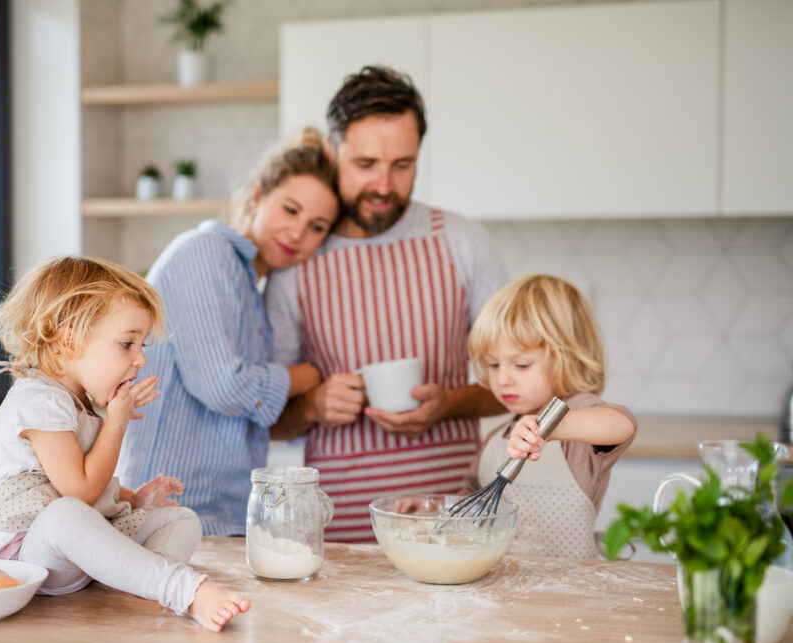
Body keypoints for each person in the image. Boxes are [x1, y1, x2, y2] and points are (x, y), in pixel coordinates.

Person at [265, 66, 507, 542]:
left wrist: (448, 404)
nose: (383, 185)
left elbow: (520, 384)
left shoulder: (461, 242)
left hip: (455, 524)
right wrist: (312, 405)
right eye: (366, 164)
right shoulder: (296, 259)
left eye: (402, 165)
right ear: (332, 152)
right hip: (339, 534)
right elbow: (267, 419)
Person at [0, 256, 250, 632]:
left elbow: (77, 483)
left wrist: (134, 499)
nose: (141, 358)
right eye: (127, 344)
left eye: (141, 344)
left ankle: (139, 581)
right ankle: (179, 588)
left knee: (181, 518)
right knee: (65, 515)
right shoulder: (39, 401)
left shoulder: (78, 402)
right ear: (68, 340)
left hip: (68, 551)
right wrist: (116, 421)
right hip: (25, 560)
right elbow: (79, 493)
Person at [118, 129, 339, 536]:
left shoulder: (249, 287)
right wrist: (307, 376)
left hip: (214, 519)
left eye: (317, 226)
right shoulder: (205, 253)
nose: (298, 234)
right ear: (257, 198)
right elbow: (224, 385)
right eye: (289, 210)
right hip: (167, 515)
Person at [463, 274, 637, 558]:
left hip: (570, 590)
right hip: (504, 588)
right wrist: (435, 513)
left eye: (521, 364)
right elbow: (472, 502)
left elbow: (623, 424)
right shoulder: (498, 437)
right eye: (493, 364)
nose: (503, 378)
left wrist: (555, 426)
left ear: (568, 356)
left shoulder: (580, 422)